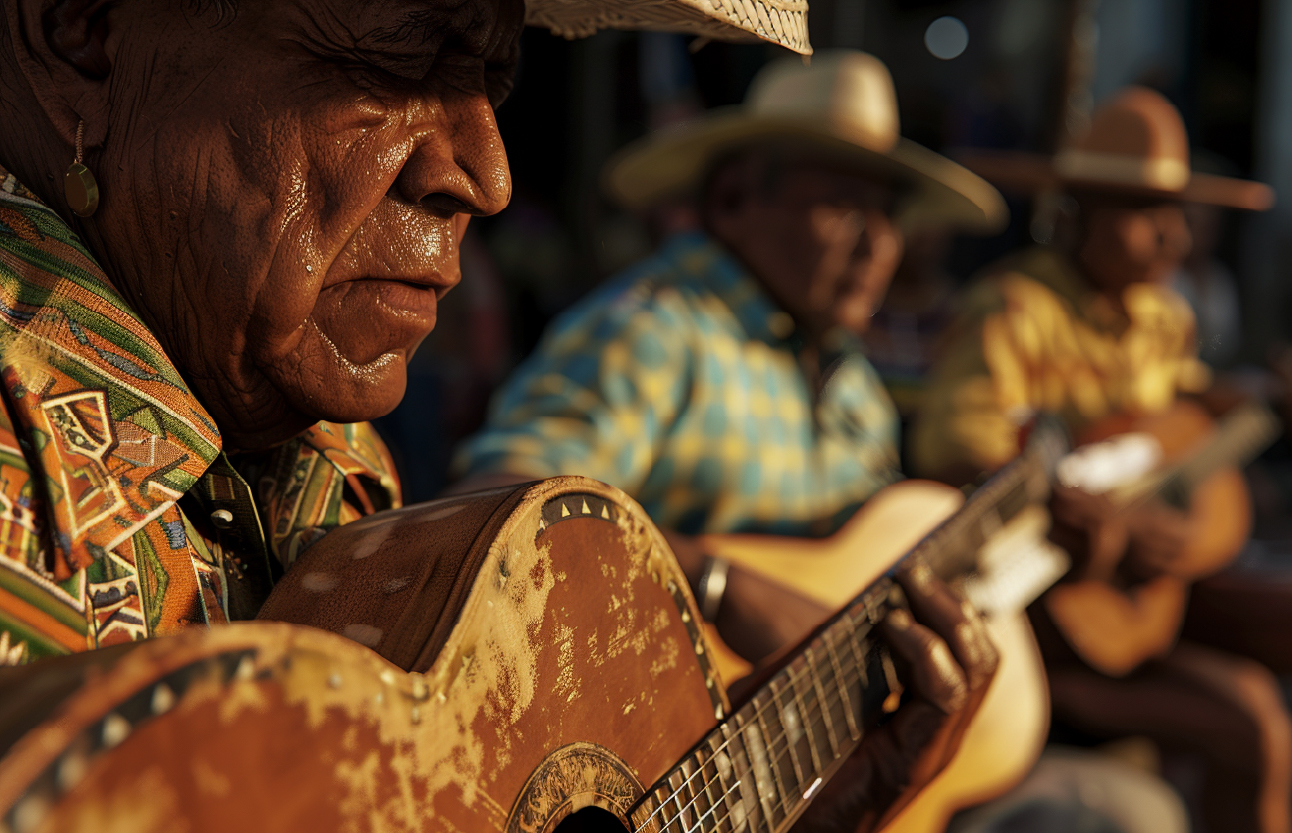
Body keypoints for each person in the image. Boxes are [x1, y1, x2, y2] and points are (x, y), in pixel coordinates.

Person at [0, 5, 992, 831]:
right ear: (78, 32)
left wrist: (803, 804)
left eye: (493, 79)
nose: (486, 174)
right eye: (392, 58)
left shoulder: (332, 448)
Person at [452, 50, 1007, 660]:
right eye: (844, 206)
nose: (877, 243)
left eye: (890, 214)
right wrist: (723, 591)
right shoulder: (653, 333)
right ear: (733, 200)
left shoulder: (853, 381)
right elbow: (495, 504)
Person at [913, 87, 1289, 833]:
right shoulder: (1013, 311)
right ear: (1079, 213)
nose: (1173, 240)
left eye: (1176, 217)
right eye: (1147, 215)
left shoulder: (1163, 319)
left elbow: (1178, 417)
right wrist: (1064, 503)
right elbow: (954, 454)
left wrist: (1255, 402)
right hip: (1043, 621)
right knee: (1250, 721)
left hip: (1136, 596)